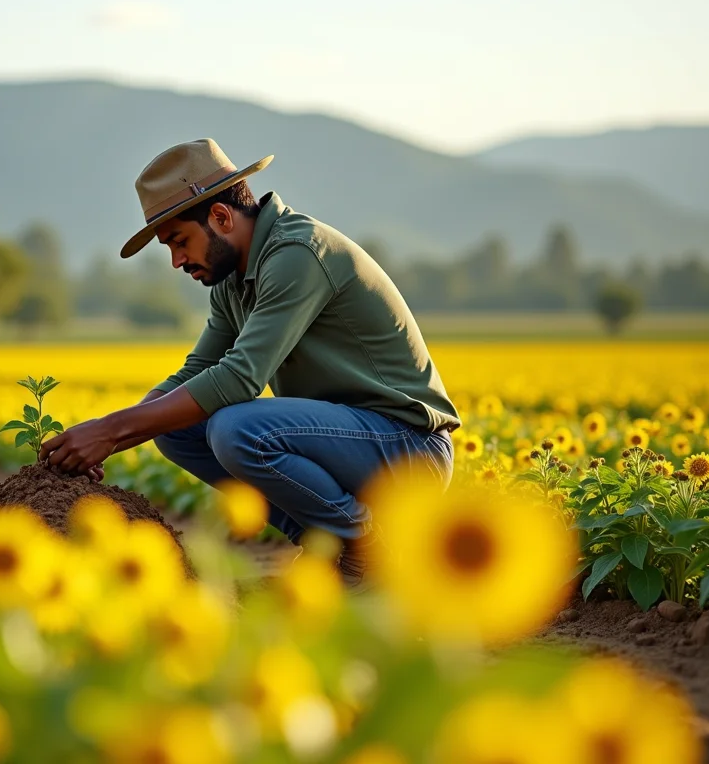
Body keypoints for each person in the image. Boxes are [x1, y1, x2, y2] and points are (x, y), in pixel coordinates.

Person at [40, 138, 459, 585]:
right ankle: (325, 544)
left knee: (236, 429)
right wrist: (111, 434)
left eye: (179, 241)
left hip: (408, 447)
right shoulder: (232, 280)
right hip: (349, 443)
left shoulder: (298, 253)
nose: (177, 260)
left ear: (221, 217)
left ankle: (364, 548)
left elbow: (239, 378)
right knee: (175, 429)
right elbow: (197, 372)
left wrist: (109, 431)